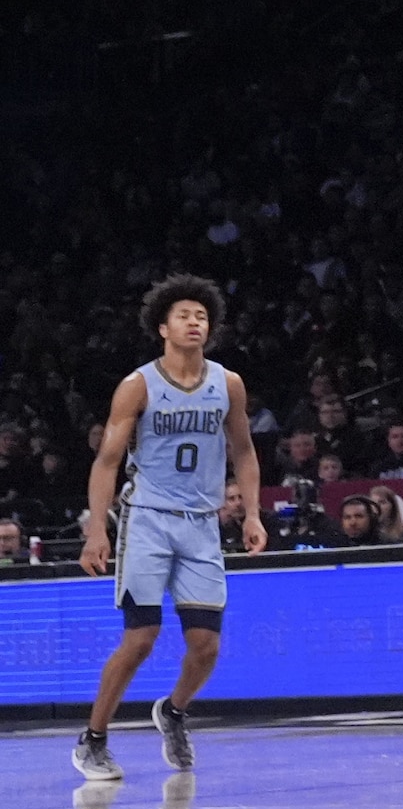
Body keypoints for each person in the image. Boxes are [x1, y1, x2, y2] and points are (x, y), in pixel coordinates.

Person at [73, 275, 266, 781]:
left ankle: (173, 711)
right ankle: (93, 739)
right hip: (148, 521)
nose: (194, 321)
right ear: (163, 327)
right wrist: (98, 529)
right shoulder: (139, 385)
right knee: (141, 638)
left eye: (202, 316)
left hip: (202, 523)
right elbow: (107, 461)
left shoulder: (228, 384)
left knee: (207, 646)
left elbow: (244, 451)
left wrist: (251, 512)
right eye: (184, 315)